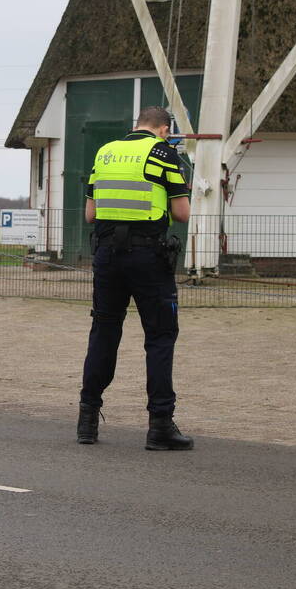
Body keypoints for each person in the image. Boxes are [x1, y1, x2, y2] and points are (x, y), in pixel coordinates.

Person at [76, 106, 193, 450]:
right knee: (159, 337)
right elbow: (182, 213)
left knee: (104, 332)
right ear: (162, 129)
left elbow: (90, 214)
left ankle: (87, 420)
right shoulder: (164, 153)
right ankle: (160, 426)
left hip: (107, 257)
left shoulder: (106, 152)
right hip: (149, 257)